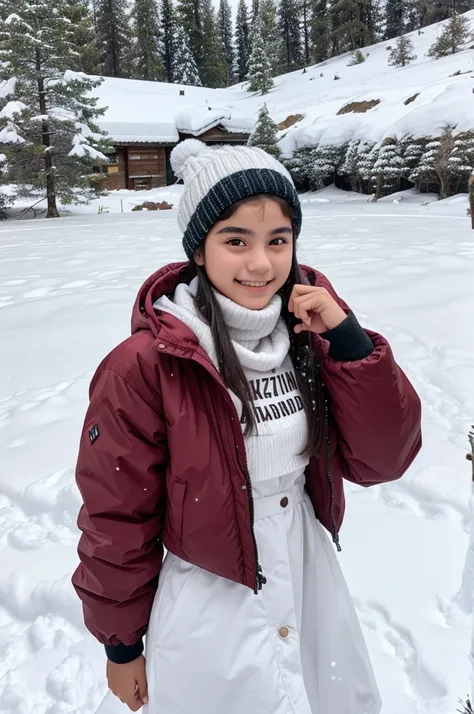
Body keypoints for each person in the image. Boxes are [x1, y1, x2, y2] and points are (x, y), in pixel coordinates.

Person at [72, 139, 422, 714]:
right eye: (236, 240)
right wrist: (120, 644)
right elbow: (117, 513)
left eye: (278, 240)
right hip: (210, 592)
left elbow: (383, 459)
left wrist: (350, 342)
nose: (261, 264)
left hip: (309, 569)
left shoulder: (311, 333)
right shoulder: (145, 365)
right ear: (200, 250)